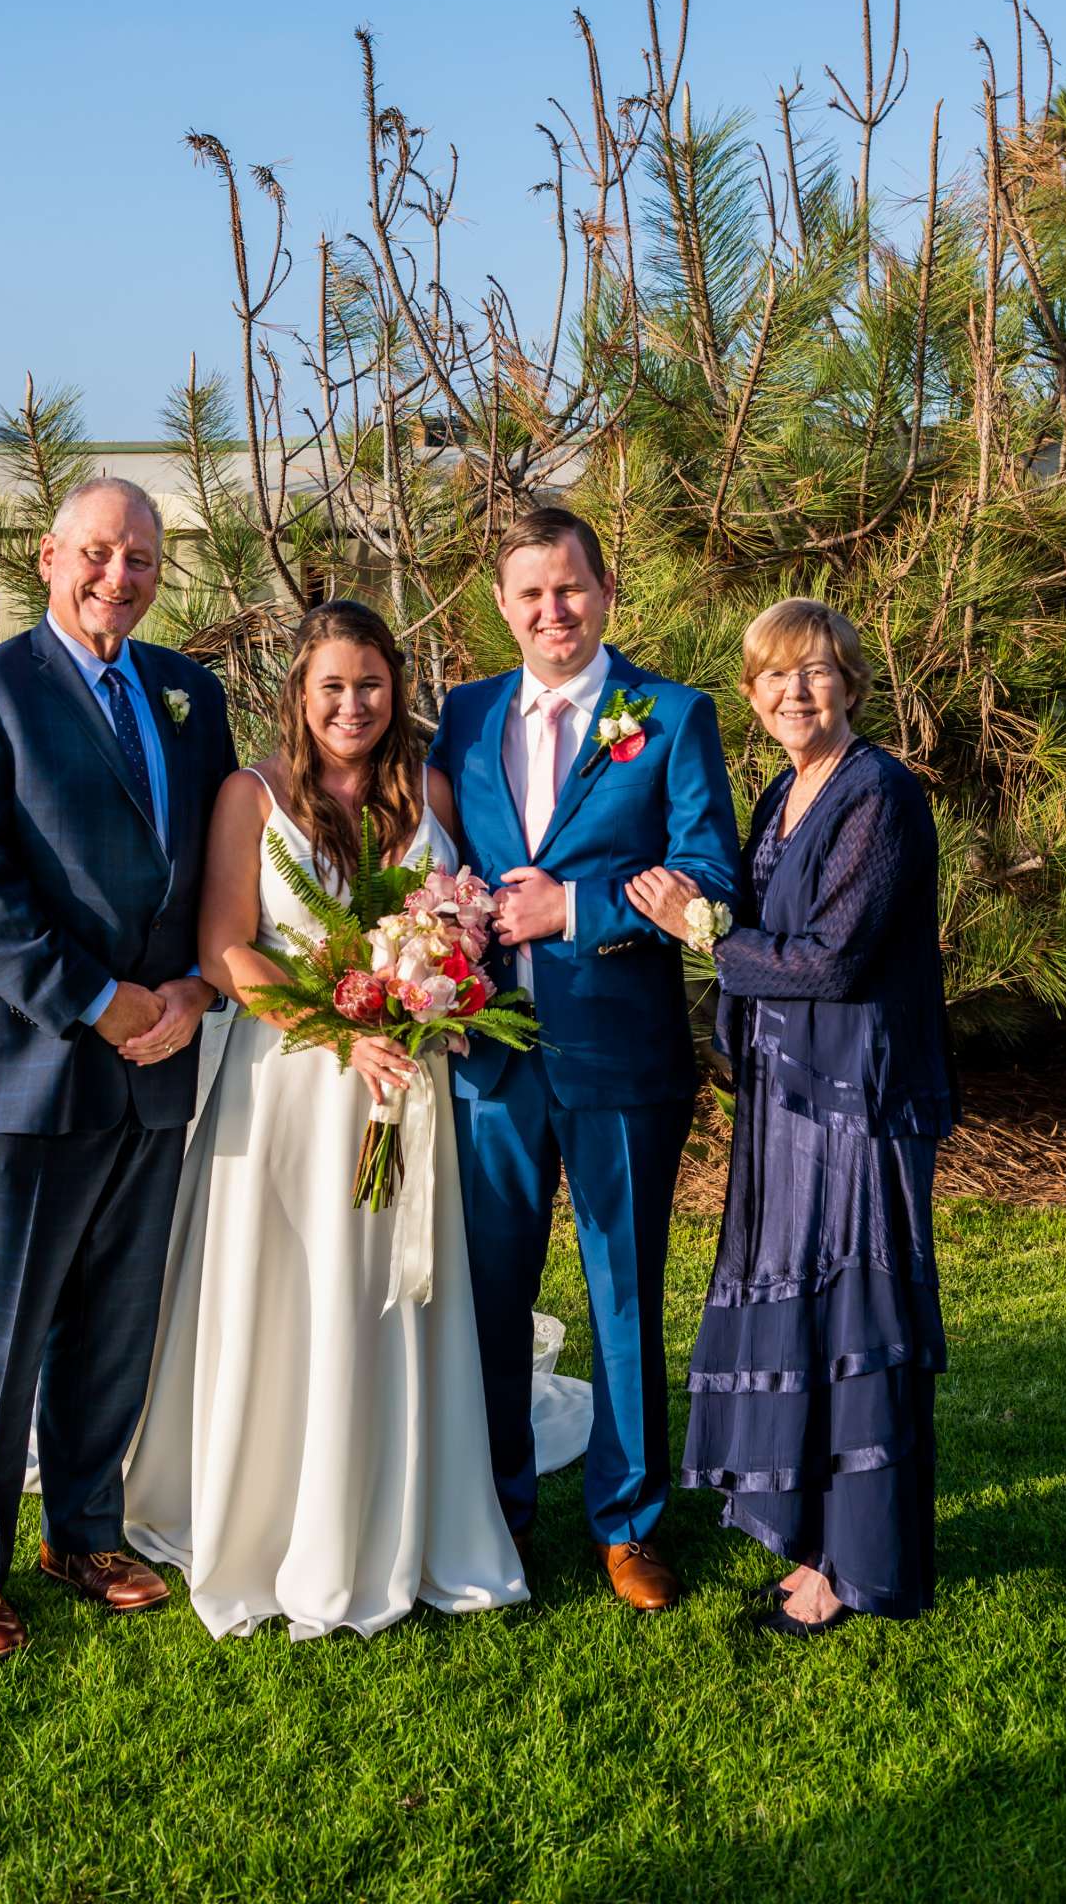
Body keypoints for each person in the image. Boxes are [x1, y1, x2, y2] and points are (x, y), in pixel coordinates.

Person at [120, 599, 526, 1640]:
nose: (353, 705)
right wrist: (341, 1033)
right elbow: (226, 951)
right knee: (299, 1291)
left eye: (373, 684)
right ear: (300, 694)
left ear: (398, 689)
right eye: (332, 686)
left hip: (408, 1085)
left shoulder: (430, 789)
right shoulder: (252, 797)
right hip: (294, 1083)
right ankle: (280, 1519)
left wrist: (441, 982)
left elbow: (462, 921)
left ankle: (405, 1513)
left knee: (391, 1293)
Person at [0, 476, 236, 1660]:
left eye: (142, 558)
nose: (119, 576)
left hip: (159, 1061)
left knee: (114, 1319)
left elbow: (219, 870)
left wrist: (198, 987)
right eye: (98, 553)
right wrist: (100, 1004)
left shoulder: (191, 696)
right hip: (30, 1066)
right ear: (50, 557)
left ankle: (86, 1529)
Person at [429, 508, 740, 1610]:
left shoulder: (668, 715)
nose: (552, 612)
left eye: (571, 590)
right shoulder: (460, 720)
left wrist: (579, 908)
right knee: (490, 1298)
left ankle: (630, 1523)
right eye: (530, 596)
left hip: (621, 1054)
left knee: (623, 1294)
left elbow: (710, 876)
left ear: (605, 591)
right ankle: (496, 1512)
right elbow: (429, 864)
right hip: (487, 1062)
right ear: (503, 608)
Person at [627, 599, 957, 1632]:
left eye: (814, 672)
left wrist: (698, 933)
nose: (793, 692)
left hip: (860, 1096)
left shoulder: (879, 795)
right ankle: (810, 1541)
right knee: (803, 1313)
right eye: (773, 676)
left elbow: (834, 958)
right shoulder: (781, 791)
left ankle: (854, 1567)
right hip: (787, 1093)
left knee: (858, 1320)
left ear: (852, 683)